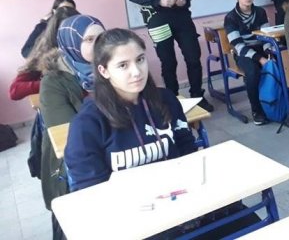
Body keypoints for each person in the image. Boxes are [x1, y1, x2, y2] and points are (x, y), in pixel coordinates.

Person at [65, 28, 260, 238]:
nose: (136, 72)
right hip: (132, 221)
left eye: (140, 60)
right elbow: (91, 194)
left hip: (180, 205)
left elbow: (187, 151)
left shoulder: (165, 100)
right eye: (123, 65)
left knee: (249, 222)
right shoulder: (87, 124)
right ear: (104, 71)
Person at [39, 14, 105, 239]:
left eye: (102, 37)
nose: (99, 44)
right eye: (89, 40)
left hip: (112, 147)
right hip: (74, 160)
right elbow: (69, 134)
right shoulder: (53, 81)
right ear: (72, 43)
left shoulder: (112, 66)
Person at [223, 0, 273, 125]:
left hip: (260, 49)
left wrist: (270, 53)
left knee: (279, 63)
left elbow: (265, 37)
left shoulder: (260, 12)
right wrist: (260, 59)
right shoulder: (231, 17)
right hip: (243, 53)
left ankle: (279, 104)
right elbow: (238, 46)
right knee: (252, 71)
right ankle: (257, 110)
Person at [10, 5, 80, 101]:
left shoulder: (85, 47)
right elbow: (15, 90)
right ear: (55, 33)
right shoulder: (45, 52)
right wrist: (51, 83)